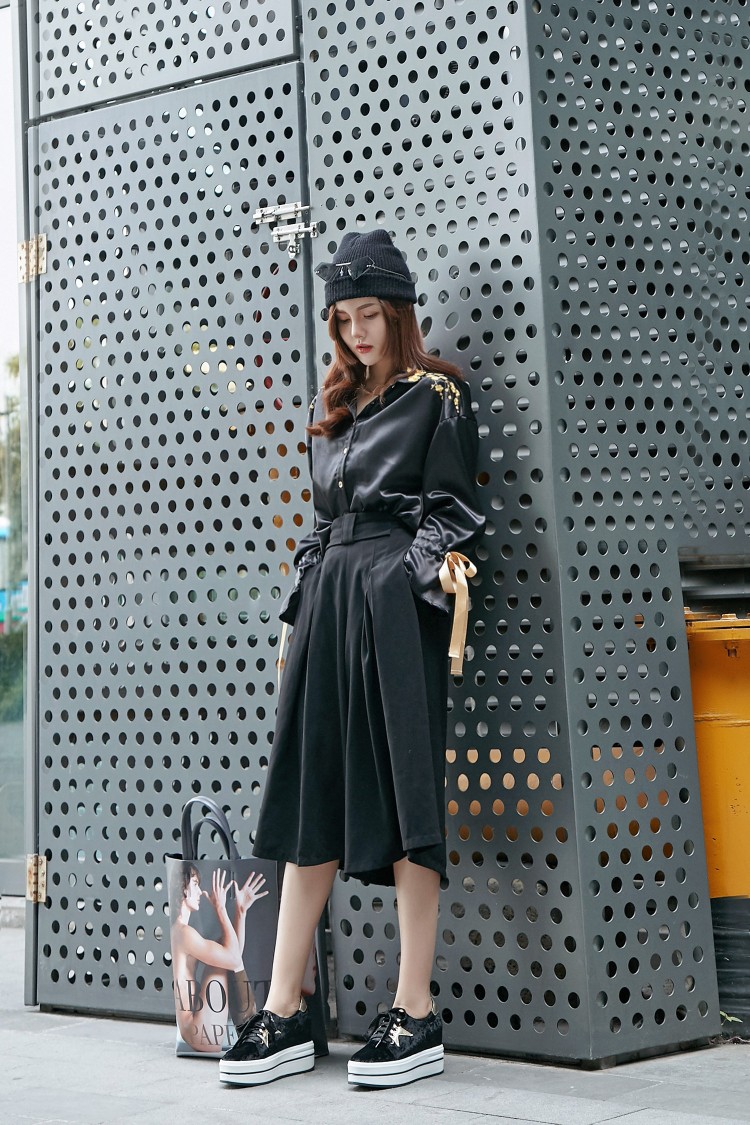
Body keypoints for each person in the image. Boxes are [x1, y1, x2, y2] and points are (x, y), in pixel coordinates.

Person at [219, 229, 485, 1088]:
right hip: (330, 603)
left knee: (408, 799)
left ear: (398, 311)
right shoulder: (333, 402)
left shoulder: (437, 396)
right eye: (343, 318)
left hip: (395, 606)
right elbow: (322, 520)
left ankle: (416, 1008)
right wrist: (307, 598)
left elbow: (455, 510)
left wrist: (402, 578)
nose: (356, 332)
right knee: (310, 798)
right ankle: (285, 1006)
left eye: (370, 314)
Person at [170, 863, 268, 1053]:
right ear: (183, 888)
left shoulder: (180, 931)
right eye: (195, 884)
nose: (200, 891)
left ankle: (249, 1024)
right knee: (226, 955)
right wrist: (220, 908)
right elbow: (233, 959)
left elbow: (233, 957)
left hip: (194, 1029)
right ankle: (250, 1025)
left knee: (224, 949)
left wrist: (240, 911)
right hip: (199, 1032)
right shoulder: (184, 933)